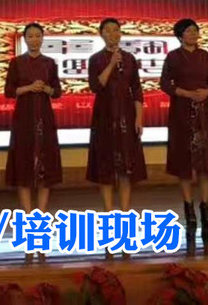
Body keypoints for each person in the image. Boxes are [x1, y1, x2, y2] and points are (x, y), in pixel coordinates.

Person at [160, 18, 208, 255]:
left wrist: (207, 92)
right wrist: (186, 93)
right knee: (184, 163)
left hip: (205, 113)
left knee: (205, 162)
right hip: (182, 113)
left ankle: (205, 208)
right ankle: (188, 209)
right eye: (188, 31)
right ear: (180, 35)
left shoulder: (205, 56)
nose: (193, 34)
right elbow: (165, 84)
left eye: (195, 30)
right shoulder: (173, 57)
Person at [4, 22, 63, 262]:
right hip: (24, 119)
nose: (35, 39)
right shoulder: (16, 63)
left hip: (45, 119)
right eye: (31, 36)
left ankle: (40, 222)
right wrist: (28, 87)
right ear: (25, 39)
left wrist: (47, 89)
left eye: (38, 36)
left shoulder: (49, 63)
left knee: (45, 170)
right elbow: (9, 91)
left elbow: (58, 91)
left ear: (43, 38)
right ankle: (29, 224)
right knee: (24, 170)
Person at [86, 17, 147, 250]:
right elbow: (96, 85)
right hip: (104, 117)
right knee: (106, 168)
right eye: (108, 31)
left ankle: (125, 217)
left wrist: (139, 117)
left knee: (126, 169)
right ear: (101, 34)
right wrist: (111, 63)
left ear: (121, 33)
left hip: (127, 116)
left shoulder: (130, 59)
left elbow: (137, 89)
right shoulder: (96, 59)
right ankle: (108, 217)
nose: (113, 34)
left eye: (116, 30)